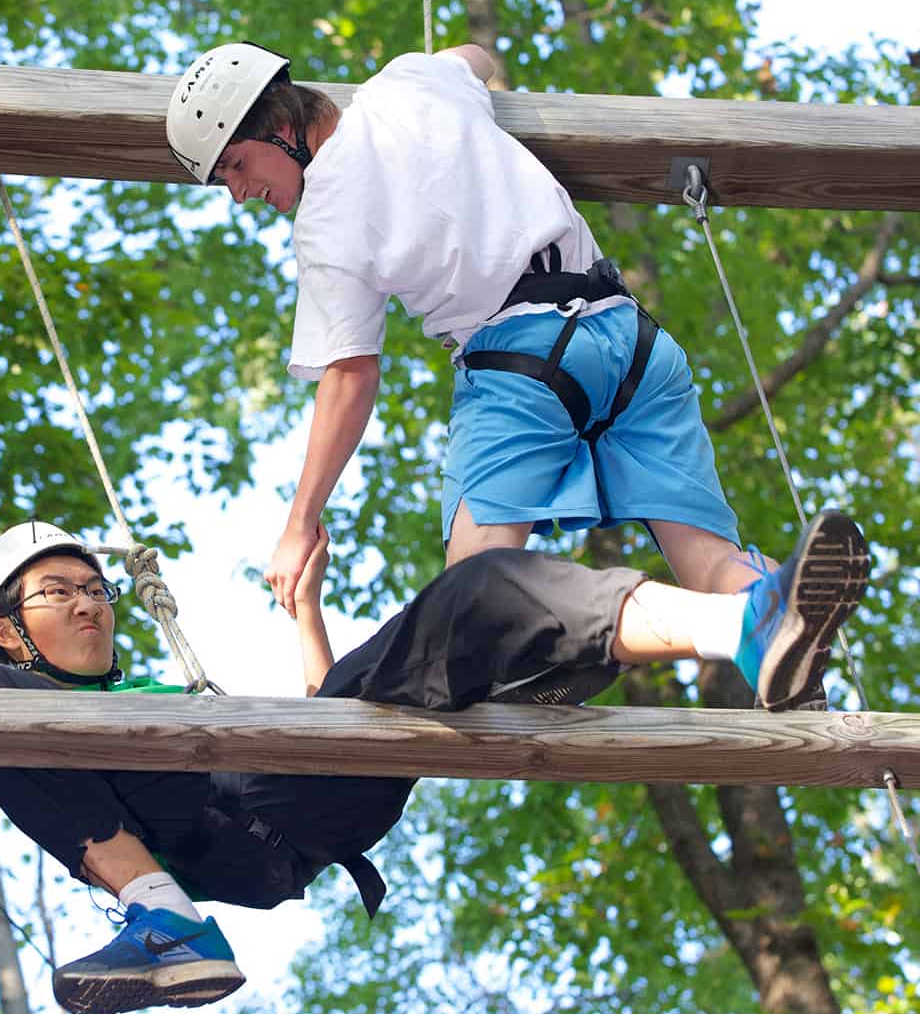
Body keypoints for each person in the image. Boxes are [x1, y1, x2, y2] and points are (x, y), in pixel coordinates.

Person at [0, 506, 868, 1014]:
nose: (88, 604)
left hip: (293, 803)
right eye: (58, 593)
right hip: (210, 846)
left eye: (95, 588)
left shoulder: (159, 701)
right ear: (11, 626)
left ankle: (744, 631)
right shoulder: (16, 709)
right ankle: (163, 919)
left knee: (476, 592)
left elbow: (328, 725)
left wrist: (310, 618)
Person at [165, 42, 796, 697]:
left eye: (237, 165)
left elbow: (349, 377)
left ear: (285, 126)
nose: (239, 193)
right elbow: (481, 55)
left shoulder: (324, 216)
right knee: (710, 558)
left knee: (472, 598)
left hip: (526, 365)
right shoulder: (408, 82)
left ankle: (720, 628)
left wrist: (300, 526)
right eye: (223, 182)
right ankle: (779, 622)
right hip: (632, 342)